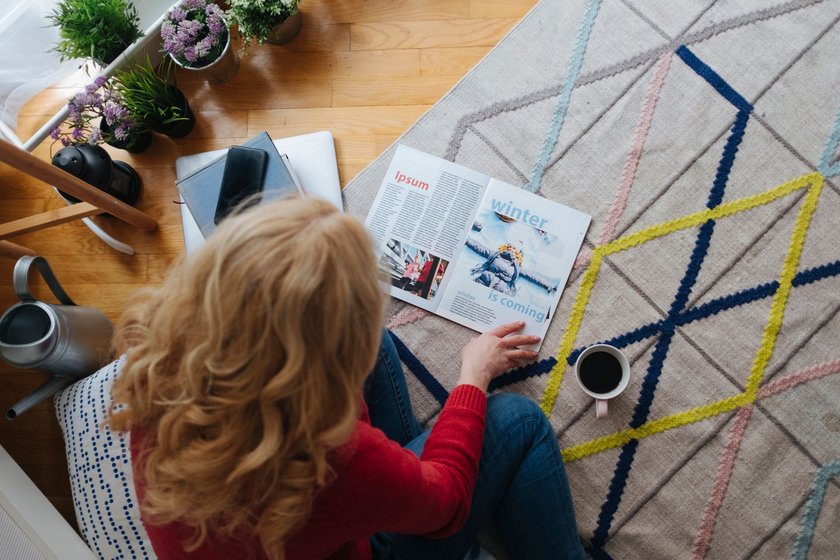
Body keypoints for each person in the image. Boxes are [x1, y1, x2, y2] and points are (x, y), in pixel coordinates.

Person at [108, 197, 585, 560]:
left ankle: (411, 468)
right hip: (347, 534)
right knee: (518, 419)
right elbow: (446, 505)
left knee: (376, 344)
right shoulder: (336, 466)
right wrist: (472, 377)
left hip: (269, 520)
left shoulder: (157, 366)